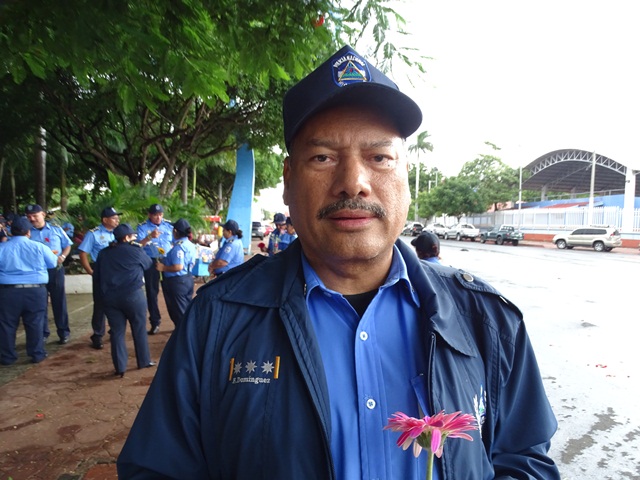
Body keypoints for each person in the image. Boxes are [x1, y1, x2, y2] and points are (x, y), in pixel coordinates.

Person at [118, 45, 560, 479]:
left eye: (379, 157)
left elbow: (524, 460)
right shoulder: (216, 319)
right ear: (288, 182)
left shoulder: (486, 319)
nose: (353, 182)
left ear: (406, 178)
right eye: (323, 157)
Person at [93, 224, 155, 377]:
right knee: (139, 328)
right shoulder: (135, 250)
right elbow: (148, 264)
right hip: (133, 296)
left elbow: (97, 276)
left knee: (117, 332)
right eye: (133, 236)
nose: (135, 238)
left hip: (110, 298)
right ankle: (143, 360)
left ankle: (120, 367)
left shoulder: (104, 253)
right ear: (127, 238)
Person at [0, 217, 58, 365]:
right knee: (35, 322)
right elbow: (53, 263)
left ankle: (7, 357)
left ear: (11, 232)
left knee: (7, 324)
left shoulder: (2, 248)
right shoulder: (40, 247)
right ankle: (37, 354)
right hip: (35, 291)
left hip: (8, 292)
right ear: (28, 232)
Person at [25, 204, 73, 344]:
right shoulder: (27, 232)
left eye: (35, 215)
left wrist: (63, 256)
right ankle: (42, 334)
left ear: (43, 215)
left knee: (59, 302)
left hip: (55, 270)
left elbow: (67, 244)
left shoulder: (56, 229)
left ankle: (63, 332)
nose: (32, 219)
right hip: (37, 272)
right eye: (29, 216)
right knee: (40, 303)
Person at [78, 207, 121, 350]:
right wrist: (90, 271)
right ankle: (97, 334)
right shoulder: (94, 234)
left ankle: (114, 329)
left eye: (117, 218)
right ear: (105, 220)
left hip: (116, 270)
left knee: (117, 301)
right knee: (100, 304)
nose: (117, 220)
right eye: (114, 218)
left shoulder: (119, 233)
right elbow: (83, 252)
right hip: (101, 270)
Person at [136, 204, 174, 335]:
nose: (158, 217)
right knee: (152, 292)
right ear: (149, 215)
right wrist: (149, 237)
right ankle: (155, 322)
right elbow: (137, 245)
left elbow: (175, 241)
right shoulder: (142, 227)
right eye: (155, 215)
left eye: (160, 215)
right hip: (151, 261)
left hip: (167, 260)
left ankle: (177, 320)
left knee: (172, 291)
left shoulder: (169, 226)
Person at [156, 218, 196, 328]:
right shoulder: (190, 244)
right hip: (188, 278)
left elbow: (178, 267)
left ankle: (184, 334)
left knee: (179, 312)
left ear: (175, 231)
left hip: (178, 281)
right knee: (186, 308)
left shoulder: (179, 247)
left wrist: (163, 267)